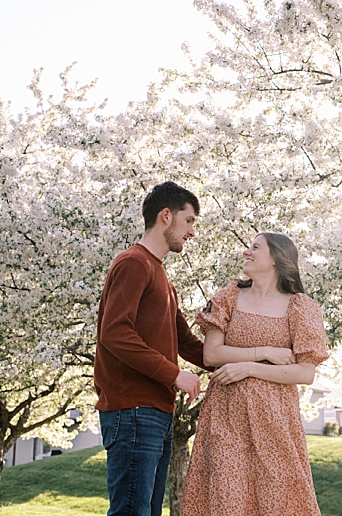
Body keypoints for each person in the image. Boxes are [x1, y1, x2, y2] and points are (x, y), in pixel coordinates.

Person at [181, 232, 330, 516]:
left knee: (276, 501)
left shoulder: (300, 307)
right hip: (226, 417)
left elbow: (305, 372)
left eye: (255, 248)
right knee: (226, 500)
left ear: (276, 259)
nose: (246, 252)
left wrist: (248, 368)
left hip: (275, 419)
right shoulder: (229, 296)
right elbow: (211, 354)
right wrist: (263, 352)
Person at [94, 181, 209, 516]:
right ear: (166, 216)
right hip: (132, 410)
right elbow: (114, 333)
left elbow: (185, 341)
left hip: (156, 412)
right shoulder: (134, 263)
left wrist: (240, 362)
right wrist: (175, 374)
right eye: (189, 221)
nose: (191, 232)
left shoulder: (162, 277)